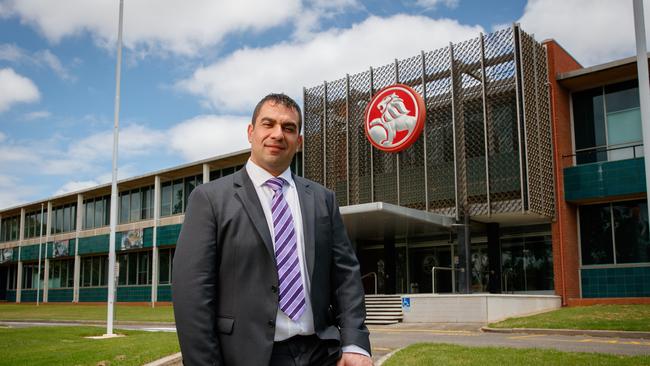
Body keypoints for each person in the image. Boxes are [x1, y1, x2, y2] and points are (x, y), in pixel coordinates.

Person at [172, 93, 372, 366]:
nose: (278, 134)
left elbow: (346, 276)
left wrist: (355, 344)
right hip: (246, 357)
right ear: (251, 132)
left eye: (289, 128)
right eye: (269, 124)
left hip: (321, 354)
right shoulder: (209, 199)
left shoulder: (323, 199)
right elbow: (192, 295)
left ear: (298, 142)